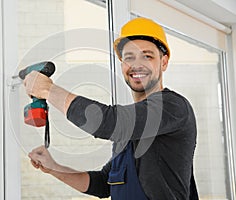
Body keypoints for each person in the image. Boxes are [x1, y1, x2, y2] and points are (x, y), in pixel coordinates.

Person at [25, 17, 199, 199]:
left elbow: (108, 122)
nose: (136, 64)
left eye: (147, 56)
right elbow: (103, 183)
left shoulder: (174, 107)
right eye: (129, 57)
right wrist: (55, 168)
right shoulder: (130, 124)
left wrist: (48, 90)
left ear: (163, 62)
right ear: (122, 64)